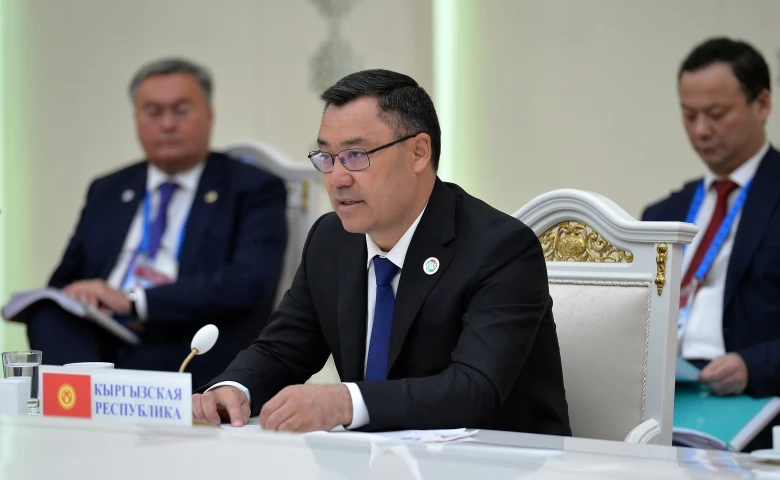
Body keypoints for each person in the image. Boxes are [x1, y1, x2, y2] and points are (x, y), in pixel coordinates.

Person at [192, 69, 571, 435]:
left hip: (501, 460)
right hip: (374, 458)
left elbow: (474, 390)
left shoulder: (500, 248)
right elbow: (282, 350)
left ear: (419, 152)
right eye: (326, 157)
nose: (337, 178)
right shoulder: (331, 239)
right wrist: (234, 389)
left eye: (356, 155)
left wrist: (345, 402)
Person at [26, 58, 288, 387]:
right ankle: (81, 407)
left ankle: (91, 405)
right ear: (136, 119)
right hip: (103, 331)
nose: (167, 124)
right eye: (153, 112)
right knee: (49, 319)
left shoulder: (252, 188)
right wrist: (83, 296)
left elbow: (248, 284)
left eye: (181, 111)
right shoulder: (108, 189)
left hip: (184, 335)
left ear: (209, 115)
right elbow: (65, 279)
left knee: (140, 362)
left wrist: (136, 303)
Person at [642, 37, 780, 450]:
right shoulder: (662, 214)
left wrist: (754, 365)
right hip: (663, 407)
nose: (701, 130)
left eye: (716, 114)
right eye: (689, 115)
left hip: (755, 403)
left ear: (762, 105)